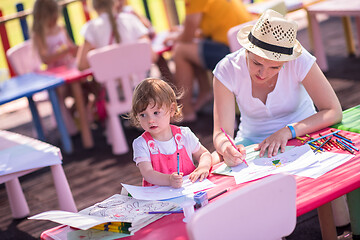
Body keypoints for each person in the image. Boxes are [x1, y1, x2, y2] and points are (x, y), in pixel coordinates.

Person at [212, 9, 343, 167]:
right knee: (211, 162)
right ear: (247, 50)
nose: (263, 73)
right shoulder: (227, 68)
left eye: (274, 67)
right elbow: (221, 133)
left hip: (304, 134)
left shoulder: (299, 61)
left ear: (286, 61)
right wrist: (226, 147)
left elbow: (333, 111)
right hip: (252, 144)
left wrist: (288, 131)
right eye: (256, 63)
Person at [166, 0, 253, 122]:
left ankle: (185, 111)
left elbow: (187, 36)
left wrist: (174, 37)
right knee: (192, 47)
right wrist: (182, 32)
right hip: (246, 46)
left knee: (180, 50)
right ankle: (205, 92)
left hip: (233, 52)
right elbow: (200, 29)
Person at [129, 78, 213, 188]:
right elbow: (148, 173)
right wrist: (169, 180)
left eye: (156, 112)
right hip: (158, 200)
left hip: (190, 190)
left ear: (172, 109)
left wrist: (203, 167)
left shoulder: (184, 135)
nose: (150, 120)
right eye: (143, 115)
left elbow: (204, 154)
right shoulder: (141, 143)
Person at [31, 0, 78, 135]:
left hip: (70, 70)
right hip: (55, 76)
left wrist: (74, 50)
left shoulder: (61, 28)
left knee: (83, 87)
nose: (54, 20)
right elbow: (45, 59)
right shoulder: (39, 34)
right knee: (59, 93)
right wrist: (64, 52)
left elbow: (71, 47)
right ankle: (68, 128)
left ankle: (83, 117)